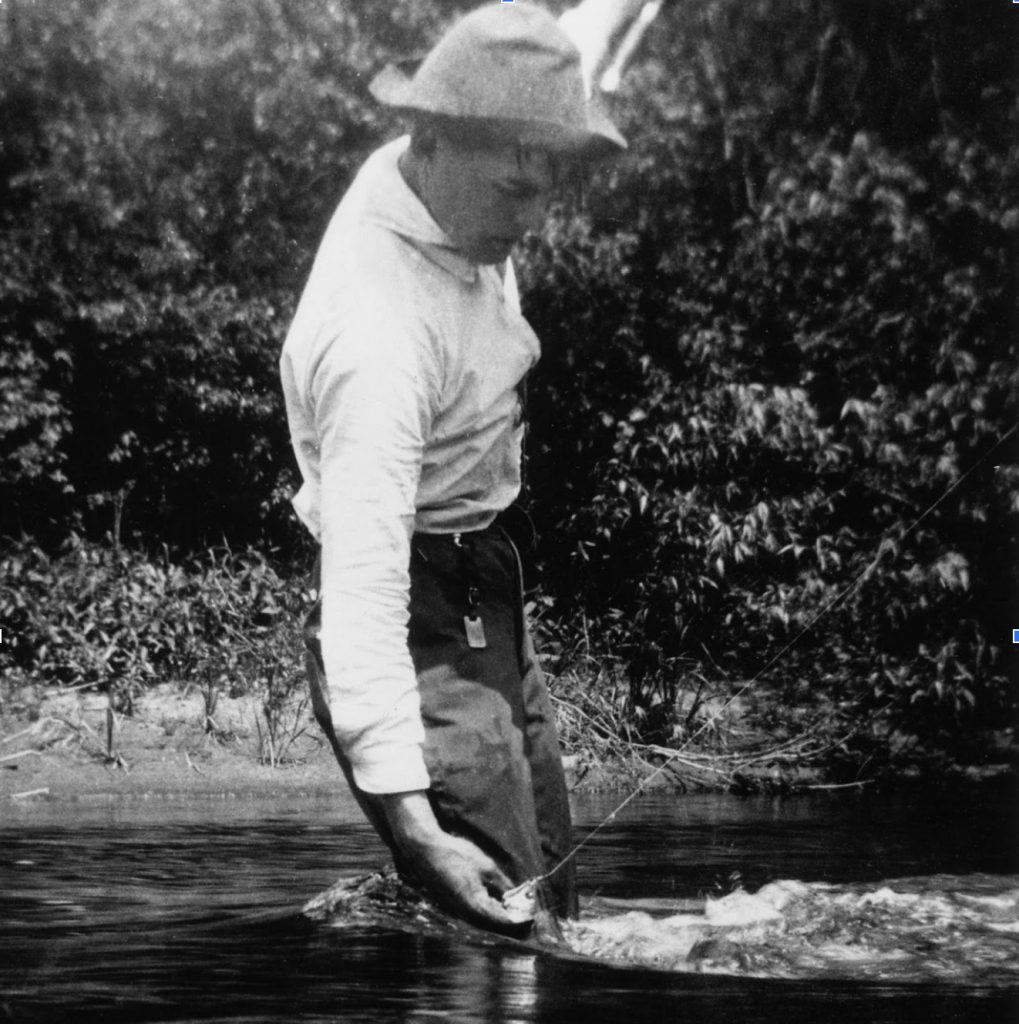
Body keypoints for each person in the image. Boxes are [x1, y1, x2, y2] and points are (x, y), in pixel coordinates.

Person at [279, 2, 625, 935]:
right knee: (509, 926)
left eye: (550, 182)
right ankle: (415, 892)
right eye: (514, 187)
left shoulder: (455, 150)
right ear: (427, 142)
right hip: (415, 615)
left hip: (491, 586)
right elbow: (360, 598)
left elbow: (564, 51)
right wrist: (412, 827)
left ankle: (405, 925)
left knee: (559, 910)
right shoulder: (376, 341)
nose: (536, 211)